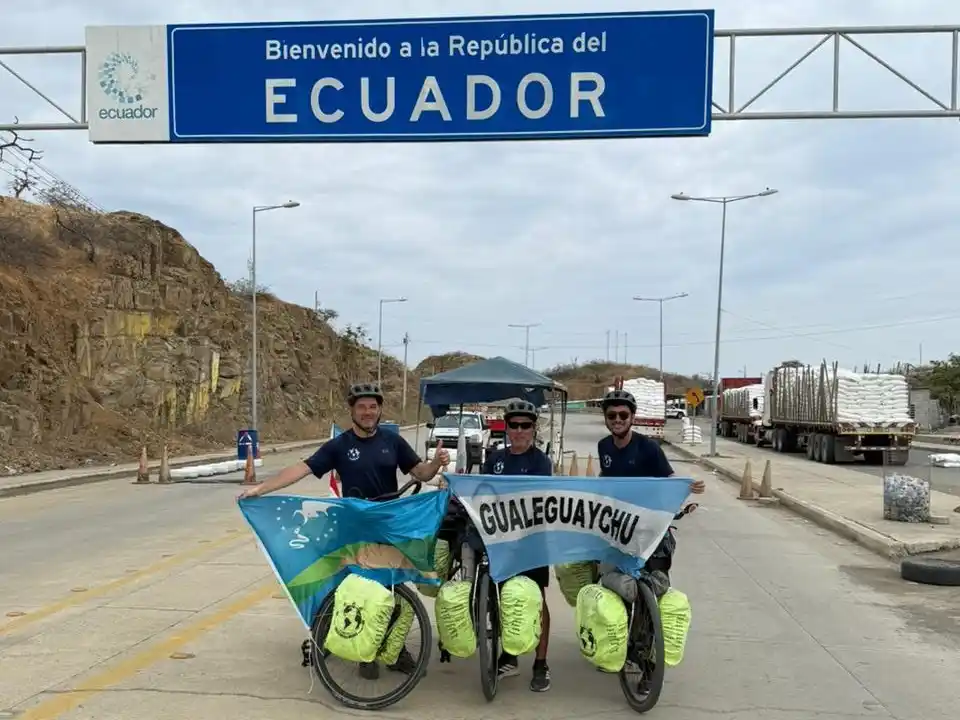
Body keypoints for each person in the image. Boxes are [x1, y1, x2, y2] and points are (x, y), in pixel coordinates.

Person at [238, 381, 449, 678]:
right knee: (360, 594)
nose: (367, 412)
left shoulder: (393, 441)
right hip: (351, 530)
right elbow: (301, 469)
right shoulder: (340, 445)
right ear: (351, 410)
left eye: (373, 407)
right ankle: (364, 653)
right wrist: (261, 488)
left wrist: (436, 464)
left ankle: (395, 650)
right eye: (361, 406)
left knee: (394, 592)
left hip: (385, 527)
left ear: (379, 410)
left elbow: (421, 473)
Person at [481, 398, 553, 693]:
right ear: (506, 428)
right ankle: (509, 655)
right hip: (501, 540)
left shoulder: (541, 461)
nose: (520, 431)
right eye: (514, 425)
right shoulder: (494, 458)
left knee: (537, 601)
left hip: (533, 542)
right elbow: (482, 492)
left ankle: (541, 662)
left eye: (526, 425)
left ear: (534, 429)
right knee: (503, 598)